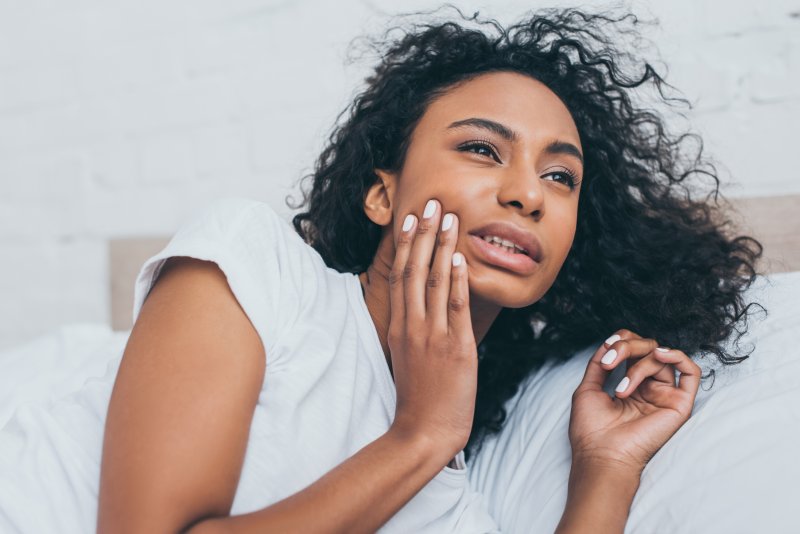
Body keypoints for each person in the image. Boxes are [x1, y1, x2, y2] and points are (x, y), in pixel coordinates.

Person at [97, 6, 762, 533]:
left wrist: (607, 467)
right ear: (382, 194)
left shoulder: (448, 498)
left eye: (560, 176)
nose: (529, 195)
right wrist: (421, 436)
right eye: (481, 149)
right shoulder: (256, 270)